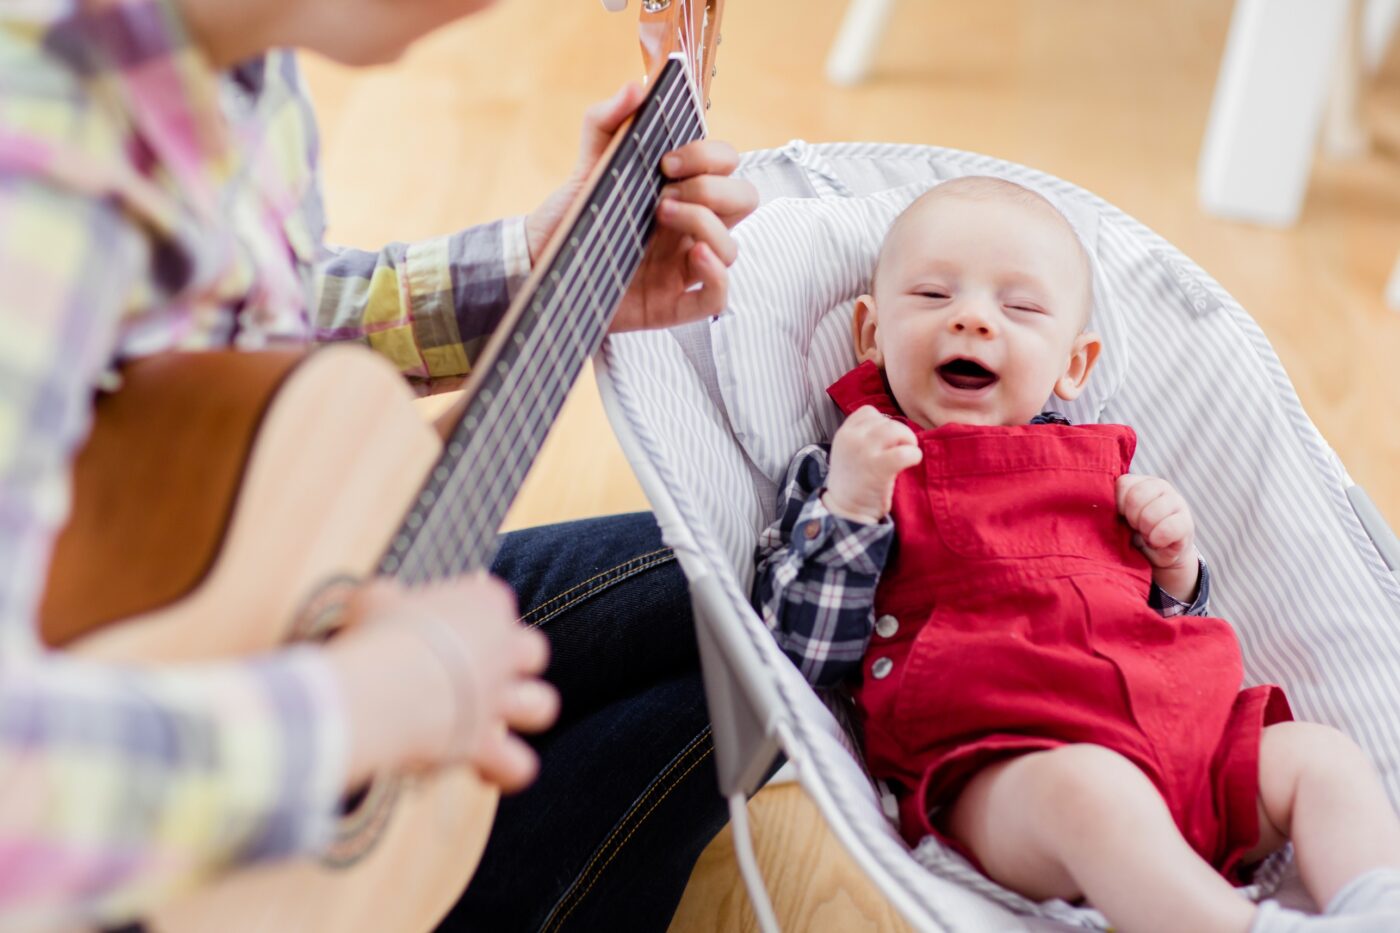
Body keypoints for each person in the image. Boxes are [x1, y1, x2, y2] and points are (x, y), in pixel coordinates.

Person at [0, 0, 757, 930]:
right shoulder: (36, 175)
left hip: (235, 619)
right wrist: (373, 702)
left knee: (758, 593)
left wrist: (535, 268)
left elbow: (230, 335)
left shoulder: (234, 61)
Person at [753, 176, 1400, 933]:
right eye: (932, 296)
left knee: (1318, 757)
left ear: (1074, 364)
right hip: (1006, 770)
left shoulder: (1106, 469)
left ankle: (1376, 907)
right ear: (870, 334)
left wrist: (1175, 567)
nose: (972, 319)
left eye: (1019, 308)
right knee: (1091, 793)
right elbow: (798, 653)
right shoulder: (855, 466)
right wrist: (854, 504)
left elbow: (1153, 626)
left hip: (1186, 742)